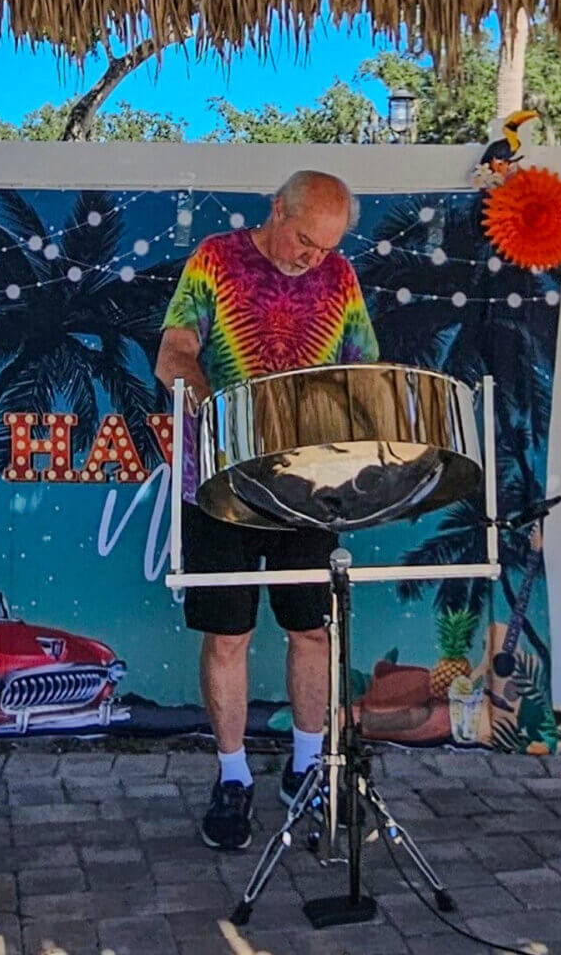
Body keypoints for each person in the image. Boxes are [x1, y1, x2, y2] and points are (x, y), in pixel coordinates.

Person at [155, 170, 379, 850]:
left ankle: (307, 770)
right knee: (227, 634)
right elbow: (174, 353)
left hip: (307, 483)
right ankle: (232, 778)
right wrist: (211, 405)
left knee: (310, 629)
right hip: (221, 477)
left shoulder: (339, 278)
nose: (311, 258)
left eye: (325, 248)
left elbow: (365, 369)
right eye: (304, 240)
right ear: (276, 208)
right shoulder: (215, 261)